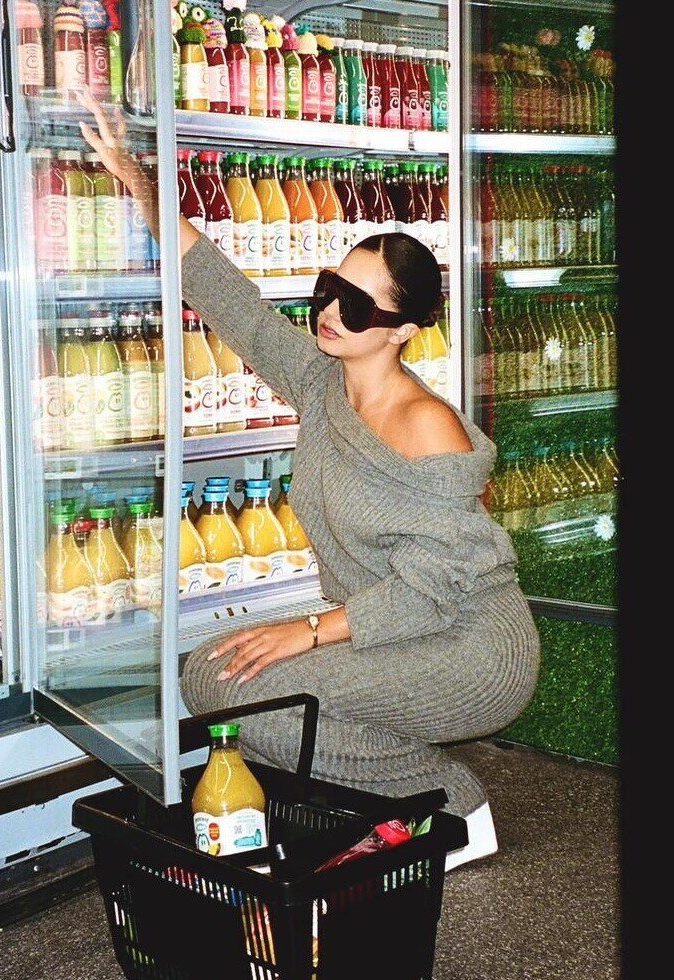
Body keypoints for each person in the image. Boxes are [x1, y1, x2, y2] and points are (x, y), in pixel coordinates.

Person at [79, 94, 540, 870]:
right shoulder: (322, 382)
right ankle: (386, 800)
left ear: (401, 331)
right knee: (213, 673)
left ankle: (450, 808)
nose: (330, 311)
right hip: (394, 628)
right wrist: (141, 184)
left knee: (248, 694)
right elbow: (235, 305)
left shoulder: (426, 425)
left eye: (356, 306)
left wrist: (310, 631)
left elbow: (433, 586)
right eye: (330, 288)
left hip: (469, 645)